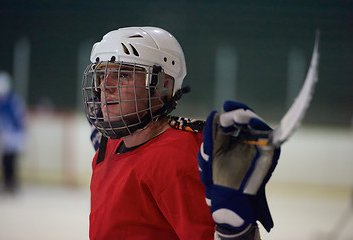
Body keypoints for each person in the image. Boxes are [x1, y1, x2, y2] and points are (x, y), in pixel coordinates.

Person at [82, 26, 280, 240]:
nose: (105, 87)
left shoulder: (176, 160)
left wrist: (235, 232)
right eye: (101, 75)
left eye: (124, 75)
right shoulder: (111, 144)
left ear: (163, 85)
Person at [0, 71, 26, 193]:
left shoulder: (6, 102)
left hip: (12, 134)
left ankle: (10, 183)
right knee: (9, 160)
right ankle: (10, 183)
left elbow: (5, 119)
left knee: (8, 160)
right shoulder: (13, 99)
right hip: (14, 133)